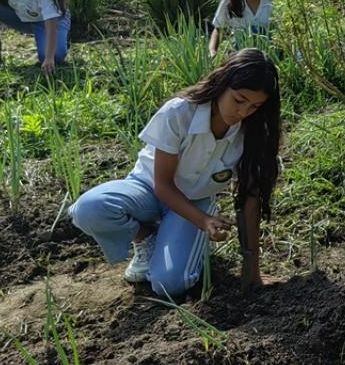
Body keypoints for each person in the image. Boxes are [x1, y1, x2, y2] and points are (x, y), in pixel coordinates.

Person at [69, 49, 282, 297]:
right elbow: (163, 185)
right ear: (223, 84)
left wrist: (252, 271)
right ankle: (147, 239)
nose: (244, 112)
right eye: (239, 100)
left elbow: (250, 198)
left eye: (255, 106)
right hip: (147, 190)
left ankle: (180, 238)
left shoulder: (252, 132)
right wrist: (203, 221)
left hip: (194, 201)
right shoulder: (179, 112)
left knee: (168, 285)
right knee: (89, 209)